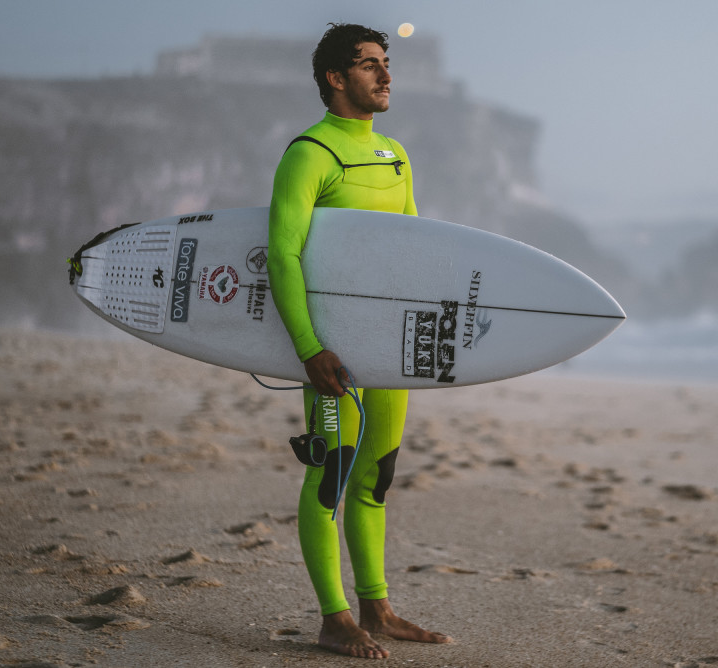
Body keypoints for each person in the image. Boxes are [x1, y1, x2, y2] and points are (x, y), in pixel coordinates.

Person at [268, 23, 453, 659]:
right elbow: (283, 255)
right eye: (369, 65)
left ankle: (377, 607)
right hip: (332, 354)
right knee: (331, 474)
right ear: (335, 78)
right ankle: (334, 618)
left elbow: (408, 252)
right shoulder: (310, 154)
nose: (385, 75)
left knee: (377, 476)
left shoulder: (395, 155)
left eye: (386, 63)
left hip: (388, 351)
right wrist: (307, 348)